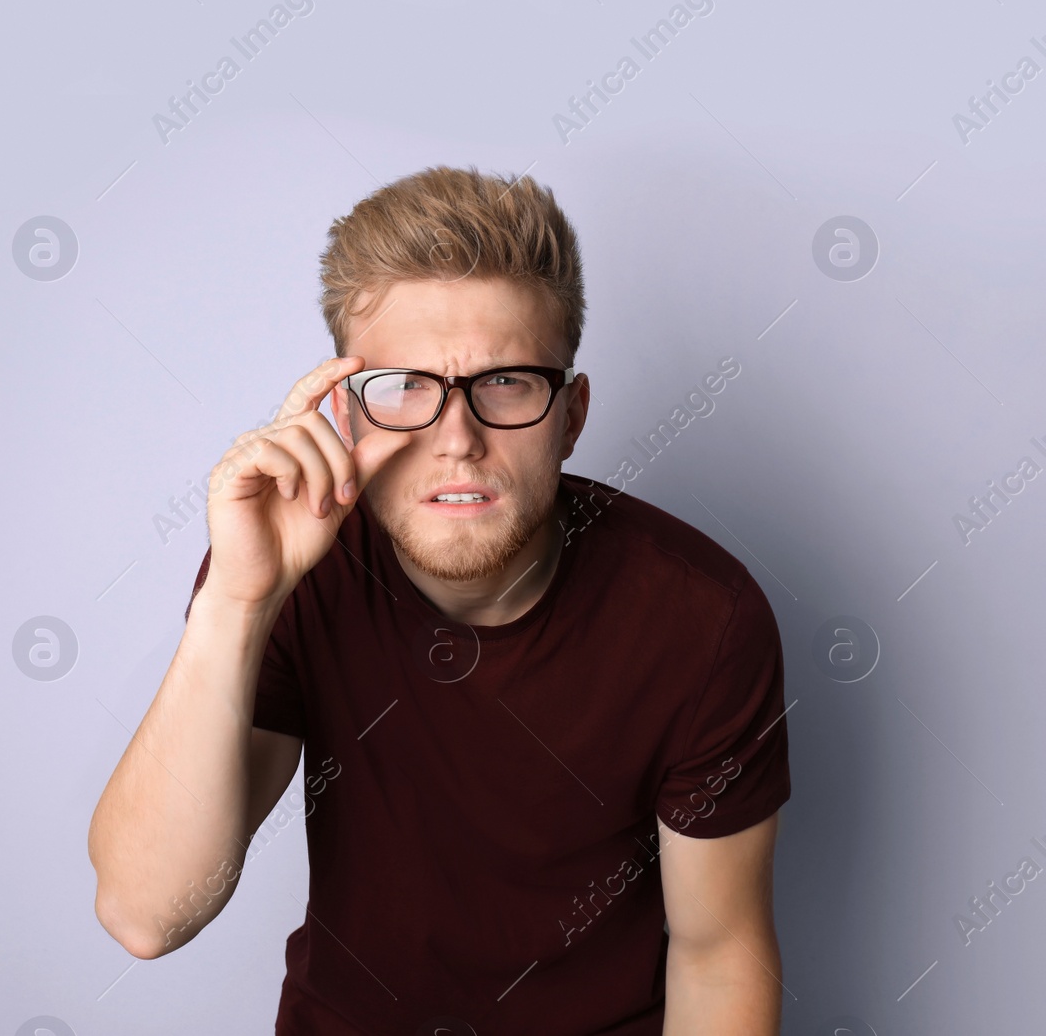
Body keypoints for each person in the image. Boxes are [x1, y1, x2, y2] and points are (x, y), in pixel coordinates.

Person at [88, 166, 790, 1035]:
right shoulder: (287, 574)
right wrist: (237, 601)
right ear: (346, 414)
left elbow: (719, 955)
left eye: (506, 383)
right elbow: (145, 914)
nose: (457, 440)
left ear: (570, 415)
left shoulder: (702, 618)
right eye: (406, 388)